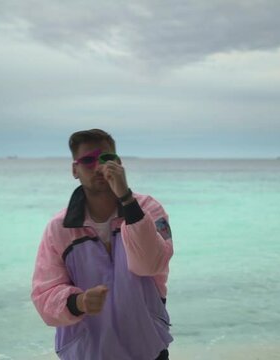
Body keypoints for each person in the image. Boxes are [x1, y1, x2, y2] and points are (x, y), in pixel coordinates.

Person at [31, 129, 174, 360]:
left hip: (148, 348)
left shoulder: (149, 210)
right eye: (88, 160)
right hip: (88, 352)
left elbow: (151, 264)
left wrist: (127, 199)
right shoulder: (59, 228)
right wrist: (79, 302)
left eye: (106, 159)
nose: (98, 167)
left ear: (118, 163)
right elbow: (43, 295)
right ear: (74, 170)